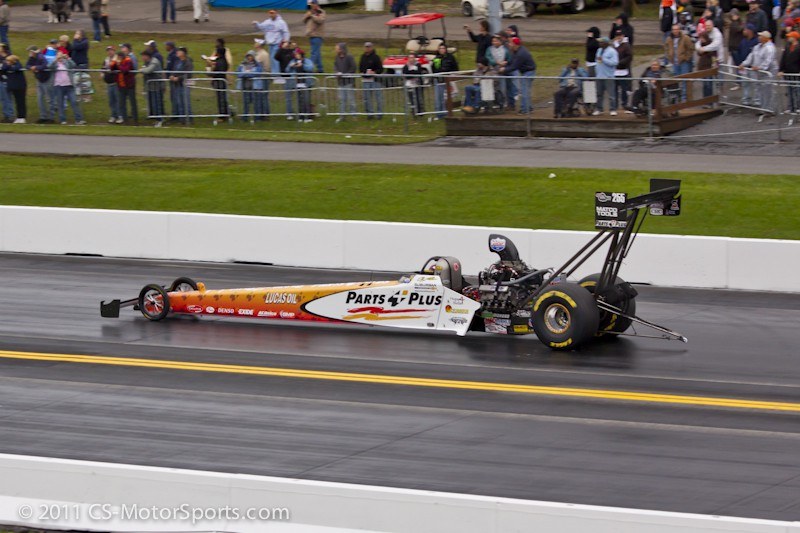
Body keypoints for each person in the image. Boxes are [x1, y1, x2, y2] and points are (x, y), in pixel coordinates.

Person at [740, 30, 777, 111]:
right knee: (760, 89)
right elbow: (751, 56)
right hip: (759, 72)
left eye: (761, 36)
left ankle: (770, 109)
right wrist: (744, 64)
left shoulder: (770, 48)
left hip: (768, 72)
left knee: (768, 90)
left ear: (766, 38)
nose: (759, 37)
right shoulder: (757, 47)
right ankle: (763, 108)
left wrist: (760, 67)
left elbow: (768, 60)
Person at [500, 37, 535, 115]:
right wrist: (506, 63)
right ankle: (528, 107)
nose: (509, 44)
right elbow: (512, 61)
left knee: (524, 91)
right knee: (525, 90)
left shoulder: (520, 54)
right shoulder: (516, 51)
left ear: (515, 44)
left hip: (528, 73)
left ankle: (525, 110)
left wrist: (504, 70)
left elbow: (514, 66)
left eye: (510, 43)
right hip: (525, 72)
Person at [49, 52, 85, 124]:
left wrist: (68, 58)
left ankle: (79, 119)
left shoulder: (66, 62)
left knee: (74, 102)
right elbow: (49, 66)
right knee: (60, 103)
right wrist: (56, 60)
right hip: (58, 86)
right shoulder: (55, 63)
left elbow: (73, 65)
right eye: (59, 55)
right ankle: (63, 120)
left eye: (61, 56)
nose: (60, 57)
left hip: (69, 86)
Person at [253, 10, 290, 74]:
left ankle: (276, 74)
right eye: (270, 13)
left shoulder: (281, 22)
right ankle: (274, 72)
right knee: (271, 59)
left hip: (277, 43)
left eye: (273, 13)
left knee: (275, 58)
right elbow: (261, 27)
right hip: (270, 44)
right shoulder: (267, 22)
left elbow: (286, 32)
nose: (271, 14)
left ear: (276, 13)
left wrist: (286, 41)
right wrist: (256, 24)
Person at [204, 38, 231, 119]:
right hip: (220, 81)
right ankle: (225, 113)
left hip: (220, 81)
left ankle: (223, 115)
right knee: (222, 98)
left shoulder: (220, 62)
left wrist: (210, 70)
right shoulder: (223, 60)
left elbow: (218, 72)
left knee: (221, 98)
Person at [26, 45, 55, 123]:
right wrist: (31, 67)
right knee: (40, 99)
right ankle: (43, 116)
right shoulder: (32, 58)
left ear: (34, 52)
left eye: (31, 51)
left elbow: (45, 65)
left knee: (49, 99)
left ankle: (51, 117)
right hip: (39, 79)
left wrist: (36, 67)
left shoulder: (41, 57)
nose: (30, 53)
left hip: (46, 79)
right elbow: (27, 65)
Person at [285, 47, 313, 122]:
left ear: (301, 54)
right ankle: (301, 116)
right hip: (297, 83)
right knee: (299, 100)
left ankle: (308, 116)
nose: (296, 55)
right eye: (295, 54)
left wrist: (302, 66)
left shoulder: (307, 61)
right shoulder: (293, 61)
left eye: (297, 54)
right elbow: (287, 70)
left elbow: (310, 68)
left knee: (306, 99)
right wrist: (291, 66)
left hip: (306, 83)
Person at [431, 42, 458, 119]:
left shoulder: (450, 57)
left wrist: (452, 75)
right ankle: (439, 114)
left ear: (445, 49)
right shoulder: (436, 58)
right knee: (438, 98)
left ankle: (446, 112)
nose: (441, 50)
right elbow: (433, 69)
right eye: (440, 48)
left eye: (443, 48)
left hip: (448, 80)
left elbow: (455, 68)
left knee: (447, 97)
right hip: (439, 80)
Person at [236, 50, 265, 121]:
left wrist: (246, 74)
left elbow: (258, 73)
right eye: (248, 56)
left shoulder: (258, 65)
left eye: (251, 56)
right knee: (246, 102)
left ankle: (257, 117)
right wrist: (248, 74)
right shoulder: (242, 64)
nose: (249, 58)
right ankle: (245, 116)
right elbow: (238, 73)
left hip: (255, 86)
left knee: (256, 102)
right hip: (245, 86)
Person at [593, 37, 618, 115]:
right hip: (599, 75)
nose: (599, 44)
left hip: (608, 76)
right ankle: (599, 109)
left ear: (606, 43)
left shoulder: (612, 51)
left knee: (611, 94)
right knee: (599, 94)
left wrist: (604, 60)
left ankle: (612, 109)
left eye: (601, 42)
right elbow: (597, 61)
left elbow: (615, 62)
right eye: (599, 42)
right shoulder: (599, 50)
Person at [110, 49, 136, 123]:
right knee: (122, 103)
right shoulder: (118, 62)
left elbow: (125, 70)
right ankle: (125, 119)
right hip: (121, 85)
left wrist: (119, 65)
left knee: (132, 102)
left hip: (129, 85)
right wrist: (114, 61)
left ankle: (135, 119)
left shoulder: (128, 61)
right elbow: (112, 68)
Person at [140, 49, 164, 126]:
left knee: (157, 104)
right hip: (150, 86)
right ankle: (156, 119)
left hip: (157, 86)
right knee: (153, 104)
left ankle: (160, 120)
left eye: (143, 56)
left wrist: (141, 69)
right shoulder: (146, 62)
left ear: (147, 56)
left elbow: (148, 70)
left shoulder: (154, 61)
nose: (142, 57)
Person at [359, 41, 383, 119]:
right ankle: (370, 114)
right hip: (365, 80)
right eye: (366, 47)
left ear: (372, 48)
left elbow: (381, 69)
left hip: (375, 80)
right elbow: (360, 68)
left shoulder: (376, 57)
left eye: (369, 47)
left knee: (378, 98)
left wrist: (374, 72)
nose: (367, 48)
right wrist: (363, 73)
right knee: (367, 98)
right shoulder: (362, 57)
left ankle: (379, 114)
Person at [485, 34, 510, 106]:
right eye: (493, 41)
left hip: (501, 71)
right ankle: (490, 103)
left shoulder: (505, 50)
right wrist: (497, 62)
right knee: (490, 87)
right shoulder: (489, 49)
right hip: (492, 71)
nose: (494, 42)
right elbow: (488, 58)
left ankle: (503, 102)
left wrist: (505, 63)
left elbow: (509, 59)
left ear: (500, 42)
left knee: (502, 88)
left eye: (496, 41)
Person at [170, 46, 193, 123]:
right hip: (177, 85)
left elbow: (188, 74)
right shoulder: (177, 62)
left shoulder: (188, 62)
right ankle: (182, 118)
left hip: (184, 84)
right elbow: (175, 70)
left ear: (183, 53)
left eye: (179, 51)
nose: (177, 52)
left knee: (186, 102)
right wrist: (172, 76)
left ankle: (188, 118)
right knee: (179, 102)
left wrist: (178, 78)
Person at [333, 42, 355, 122]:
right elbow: (335, 66)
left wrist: (345, 74)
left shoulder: (349, 57)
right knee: (342, 100)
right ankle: (342, 116)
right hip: (340, 82)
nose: (336, 50)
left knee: (351, 99)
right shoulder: (337, 58)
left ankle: (354, 115)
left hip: (348, 82)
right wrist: (337, 73)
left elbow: (353, 67)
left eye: (337, 48)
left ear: (341, 49)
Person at [779, 31, 800, 112]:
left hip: (796, 72)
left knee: (797, 90)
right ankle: (791, 107)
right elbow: (783, 59)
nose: (788, 38)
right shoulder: (787, 47)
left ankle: (798, 106)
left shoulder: (798, 48)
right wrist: (781, 70)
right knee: (789, 90)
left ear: (794, 38)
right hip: (788, 72)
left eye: (790, 36)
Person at [613, 30, 633, 111]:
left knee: (624, 89)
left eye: (620, 35)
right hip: (614, 72)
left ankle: (624, 104)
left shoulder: (626, 45)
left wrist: (621, 62)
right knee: (614, 90)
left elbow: (629, 56)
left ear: (623, 36)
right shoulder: (613, 46)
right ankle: (615, 105)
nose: (619, 37)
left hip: (623, 71)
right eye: (617, 35)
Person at [1, 54, 24, 122]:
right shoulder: (6, 65)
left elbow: (16, 68)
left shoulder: (18, 64)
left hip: (18, 86)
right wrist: (7, 65)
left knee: (14, 101)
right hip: (11, 85)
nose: (6, 62)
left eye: (8, 61)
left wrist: (9, 66)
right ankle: (8, 116)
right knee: (5, 99)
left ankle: (13, 116)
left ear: (12, 61)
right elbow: (3, 69)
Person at [303, 0, 325, 73]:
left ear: (316, 4)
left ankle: (309, 68)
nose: (311, 6)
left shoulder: (321, 12)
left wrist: (312, 16)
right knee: (317, 53)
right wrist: (307, 16)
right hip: (311, 35)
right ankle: (320, 69)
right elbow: (304, 20)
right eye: (311, 5)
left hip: (317, 35)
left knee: (314, 53)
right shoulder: (310, 11)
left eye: (313, 4)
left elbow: (320, 20)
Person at [275, 40, 296, 116]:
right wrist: (282, 48)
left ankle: (299, 112)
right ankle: (289, 112)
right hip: (286, 77)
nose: (287, 44)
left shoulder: (292, 52)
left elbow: (299, 56)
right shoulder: (281, 53)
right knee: (288, 96)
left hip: (295, 76)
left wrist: (294, 47)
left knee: (298, 95)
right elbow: (276, 57)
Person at [100, 45, 120, 123]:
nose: (109, 52)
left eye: (111, 50)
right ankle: (113, 115)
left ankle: (119, 116)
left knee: (117, 100)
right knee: (111, 101)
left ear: (114, 51)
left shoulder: (117, 59)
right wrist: (102, 73)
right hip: (109, 83)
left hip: (116, 83)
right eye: (108, 50)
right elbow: (103, 68)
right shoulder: (106, 60)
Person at [0, 44, 13, 122]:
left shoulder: (9, 56)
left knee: (7, 98)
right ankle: (6, 115)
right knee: (3, 98)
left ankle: (10, 115)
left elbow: (6, 67)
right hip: (1, 80)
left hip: (7, 80)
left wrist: (2, 67)